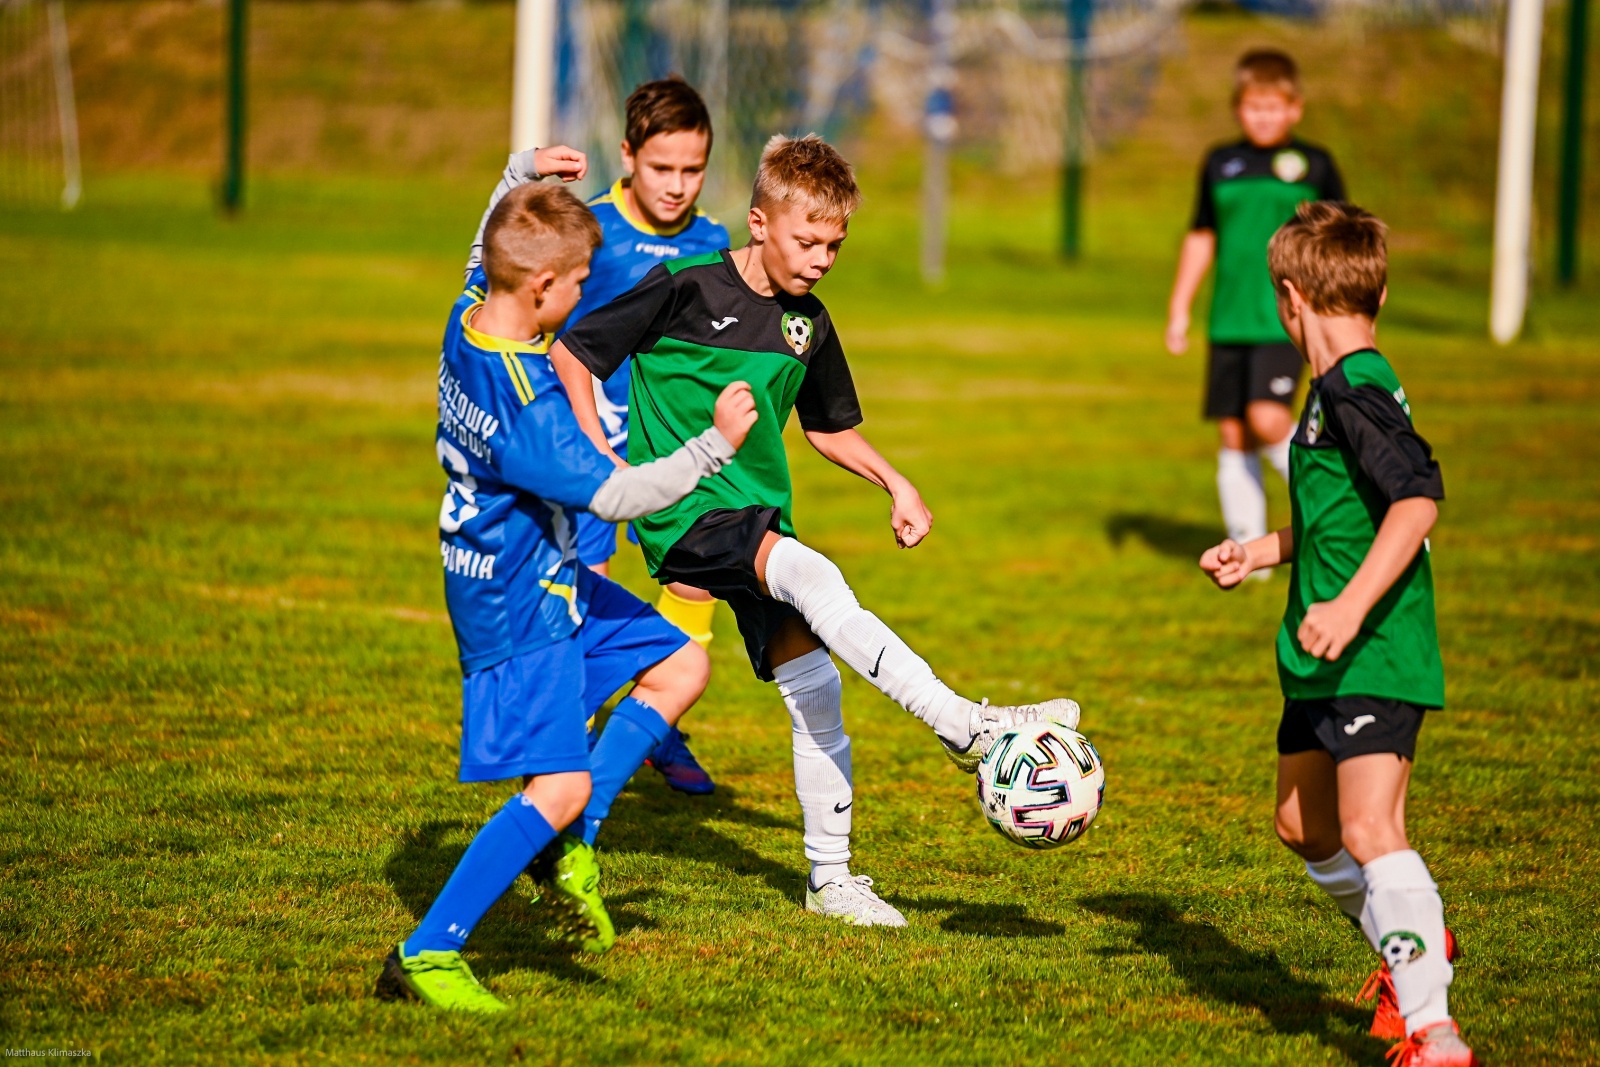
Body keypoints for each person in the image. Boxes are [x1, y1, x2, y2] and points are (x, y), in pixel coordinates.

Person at [550, 134, 1080, 928]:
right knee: (813, 573)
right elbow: (574, 352)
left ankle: (830, 879)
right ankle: (965, 723)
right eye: (808, 240)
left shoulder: (810, 324)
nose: (822, 257)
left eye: (835, 244)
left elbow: (828, 429)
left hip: (756, 511)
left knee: (815, 688)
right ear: (759, 223)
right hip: (684, 509)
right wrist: (602, 461)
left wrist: (895, 481)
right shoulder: (684, 288)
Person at [377, 164, 758, 1013]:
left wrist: (519, 179)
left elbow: (486, 245)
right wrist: (714, 444)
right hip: (520, 601)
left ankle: (562, 845)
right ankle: (427, 952)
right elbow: (619, 496)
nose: (587, 293)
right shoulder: (531, 410)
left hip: (543, 572)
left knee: (678, 668)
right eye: (580, 283)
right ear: (544, 285)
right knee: (559, 784)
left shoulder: (470, 318)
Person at [1199, 201, 1475, 1067]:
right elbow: (1336, 518)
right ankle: (1415, 934)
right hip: (1318, 647)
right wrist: (1261, 550)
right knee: (1301, 824)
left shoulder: (1354, 388)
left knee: (1368, 830)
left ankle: (1434, 1029)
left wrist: (1351, 607)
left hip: (1373, 646)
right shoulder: (1333, 391)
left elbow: (1417, 499)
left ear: (1287, 299)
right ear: (1379, 291)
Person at [570, 77, 732, 794]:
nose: (676, 185)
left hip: (673, 442)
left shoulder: (712, 241)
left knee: (690, 582)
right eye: (661, 168)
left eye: (692, 170)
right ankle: (572, 746)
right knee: (593, 599)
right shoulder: (589, 229)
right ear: (628, 155)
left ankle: (656, 722)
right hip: (590, 445)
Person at [1167, 49, 1345, 568]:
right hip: (1230, 317)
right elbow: (1201, 236)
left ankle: (1342, 507)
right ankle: (1244, 552)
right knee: (1233, 430)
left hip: (1285, 318)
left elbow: (1338, 241)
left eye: (1275, 106)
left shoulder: (1315, 166)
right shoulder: (1221, 164)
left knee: (1267, 420)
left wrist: (1332, 310)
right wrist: (1180, 307)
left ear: (1295, 109)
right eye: (1253, 106)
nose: (1264, 116)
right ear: (1237, 108)